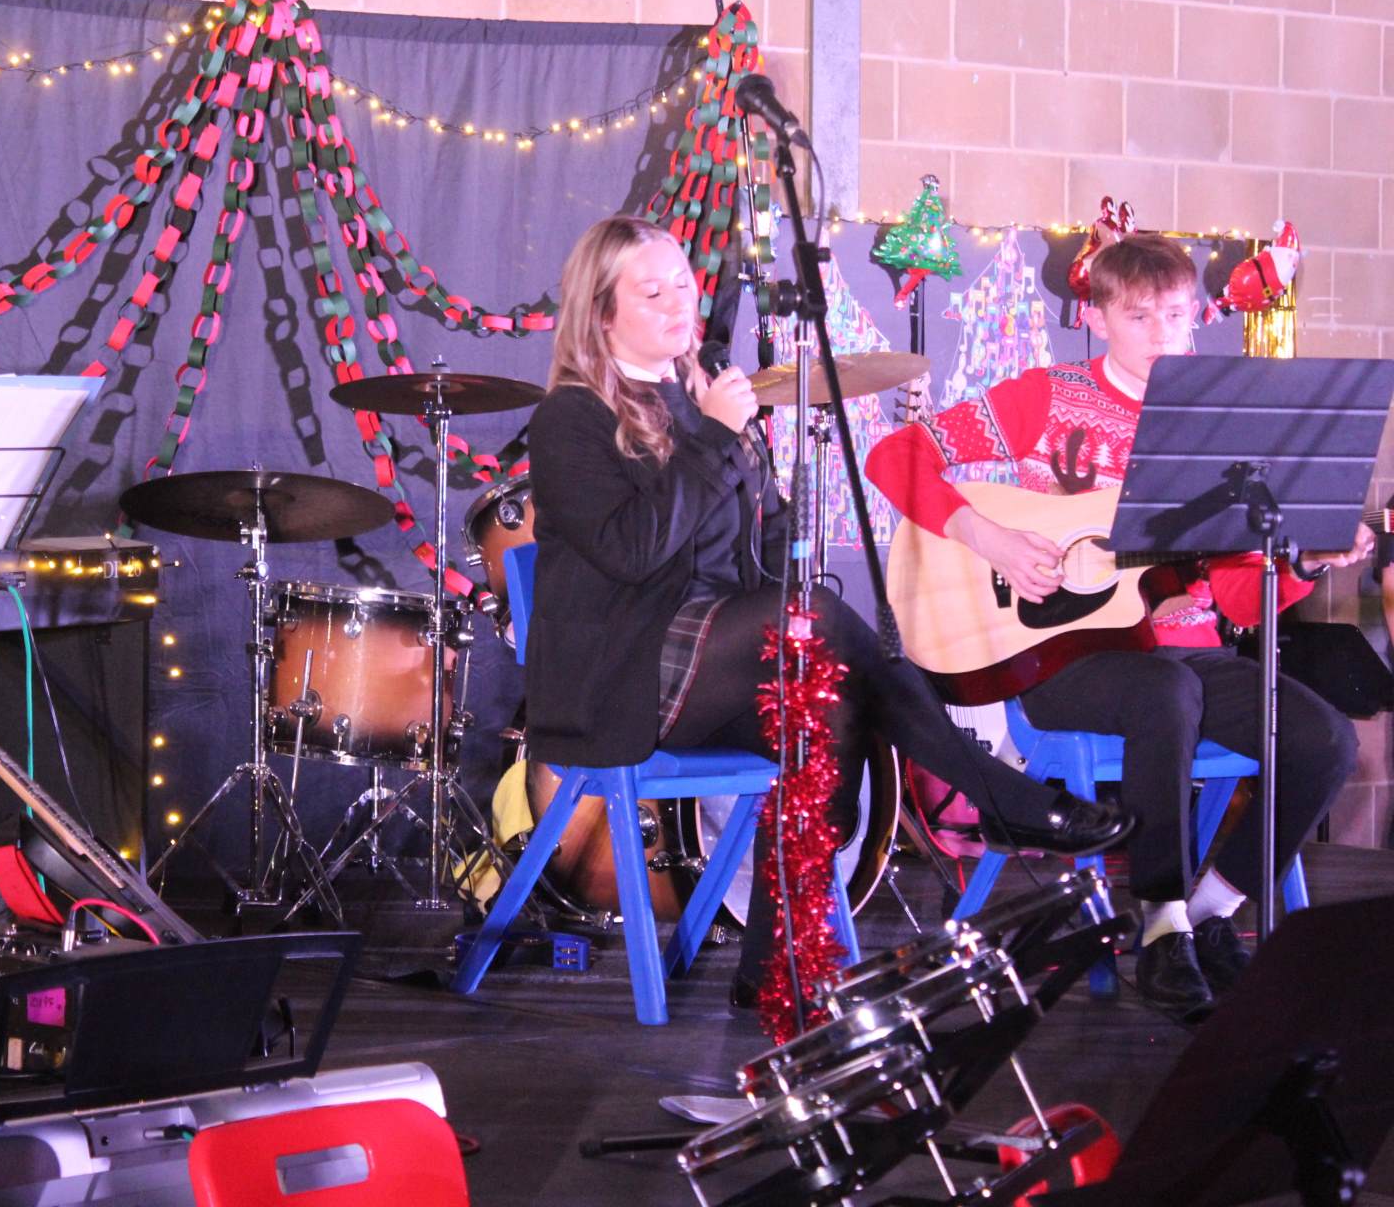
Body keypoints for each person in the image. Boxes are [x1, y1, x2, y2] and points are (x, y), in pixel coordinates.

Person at [523, 214, 1135, 1014]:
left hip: (721, 664)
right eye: (652, 293)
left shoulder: (702, 400)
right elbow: (634, 552)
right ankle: (996, 795)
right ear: (602, 315)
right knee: (818, 621)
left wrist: (749, 476)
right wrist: (715, 441)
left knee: (825, 712)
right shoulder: (570, 418)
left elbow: (765, 548)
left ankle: (769, 966)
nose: (680, 304)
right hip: (623, 677)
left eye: (683, 285)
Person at [867, 232, 1367, 1021]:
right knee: (1163, 692)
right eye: (1140, 317)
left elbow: (1238, 602)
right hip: (1059, 659)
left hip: (1187, 656)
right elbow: (895, 455)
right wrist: (989, 538)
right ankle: (1159, 920)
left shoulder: (1220, 429)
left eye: (1177, 314)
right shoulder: (1048, 394)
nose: (1164, 333)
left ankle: (1206, 913)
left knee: (1324, 738)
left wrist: (1304, 564)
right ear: (1095, 318)